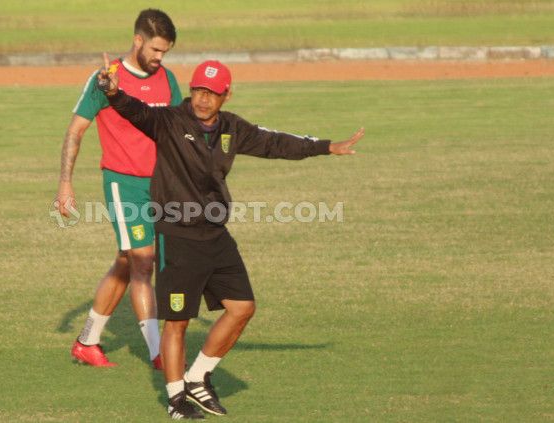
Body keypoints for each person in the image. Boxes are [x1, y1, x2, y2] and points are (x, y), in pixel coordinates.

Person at [96, 57, 365, 419]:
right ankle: (176, 401)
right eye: (198, 91)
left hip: (216, 237)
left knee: (242, 308)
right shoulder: (169, 121)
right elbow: (133, 109)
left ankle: (198, 377)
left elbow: (275, 143)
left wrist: (325, 147)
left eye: (212, 93)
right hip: (178, 236)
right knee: (177, 323)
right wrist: (112, 89)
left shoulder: (232, 129)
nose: (203, 99)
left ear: (226, 95)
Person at [55, 9, 181, 369]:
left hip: (160, 186)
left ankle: (87, 341)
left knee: (127, 262)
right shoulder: (106, 79)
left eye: (165, 52)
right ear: (138, 40)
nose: (160, 58)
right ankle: (159, 353)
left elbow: (174, 133)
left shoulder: (168, 79)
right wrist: (65, 184)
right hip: (123, 184)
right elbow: (75, 131)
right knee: (144, 263)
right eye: (156, 50)